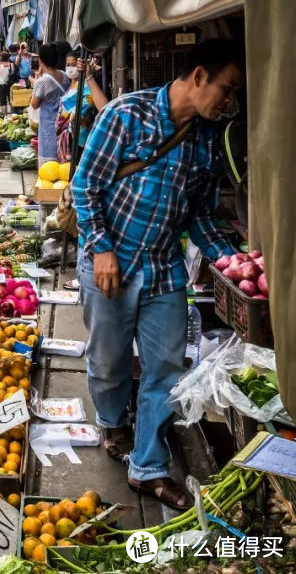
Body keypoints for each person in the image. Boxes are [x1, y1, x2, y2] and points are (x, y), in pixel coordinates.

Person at [72, 38, 242, 510]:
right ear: (200, 76)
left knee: (166, 366)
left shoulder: (207, 139)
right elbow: (84, 187)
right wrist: (101, 248)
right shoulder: (127, 114)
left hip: (165, 268)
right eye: (226, 90)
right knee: (109, 363)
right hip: (111, 265)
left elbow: (200, 216)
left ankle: (147, 467)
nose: (230, 103)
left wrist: (232, 261)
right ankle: (112, 421)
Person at [58, 53, 109, 162]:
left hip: (85, 137)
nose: (70, 68)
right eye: (68, 65)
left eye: (73, 64)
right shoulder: (70, 85)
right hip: (72, 134)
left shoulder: (87, 85)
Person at [30, 44, 71, 166]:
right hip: (63, 125)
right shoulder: (64, 75)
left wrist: (36, 79)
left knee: (49, 165)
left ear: (41, 61)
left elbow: (34, 104)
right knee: (62, 160)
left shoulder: (42, 82)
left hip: (48, 127)